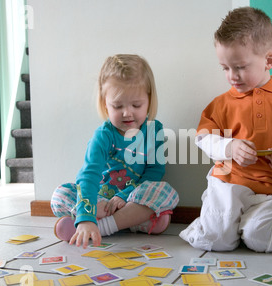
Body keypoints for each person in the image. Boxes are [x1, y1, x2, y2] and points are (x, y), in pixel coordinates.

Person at [179, 7, 272, 252]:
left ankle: (258, 225)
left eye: (240, 67)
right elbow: (203, 137)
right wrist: (229, 147)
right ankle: (213, 223)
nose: (232, 76)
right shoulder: (221, 104)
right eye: (225, 68)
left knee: (261, 239)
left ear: (268, 61)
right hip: (229, 183)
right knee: (215, 241)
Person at [51, 54, 179, 249]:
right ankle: (114, 223)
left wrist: (124, 196)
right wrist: (87, 214)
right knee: (60, 194)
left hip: (132, 200)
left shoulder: (154, 131)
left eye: (136, 105)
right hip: (100, 201)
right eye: (118, 106)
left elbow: (154, 172)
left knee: (164, 191)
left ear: (149, 100)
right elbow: (88, 176)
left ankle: (102, 227)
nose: (127, 113)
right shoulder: (103, 135)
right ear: (105, 104)